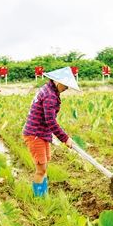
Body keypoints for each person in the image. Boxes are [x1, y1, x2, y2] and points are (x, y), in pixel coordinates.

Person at [23, 67, 81, 197]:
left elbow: (48, 120)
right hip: (35, 134)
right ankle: (39, 198)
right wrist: (65, 139)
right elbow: (51, 122)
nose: (66, 88)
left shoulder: (48, 89)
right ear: (57, 82)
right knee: (41, 169)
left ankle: (44, 193)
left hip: (41, 133)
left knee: (45, 164)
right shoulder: (49, 96)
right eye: (65, 85)